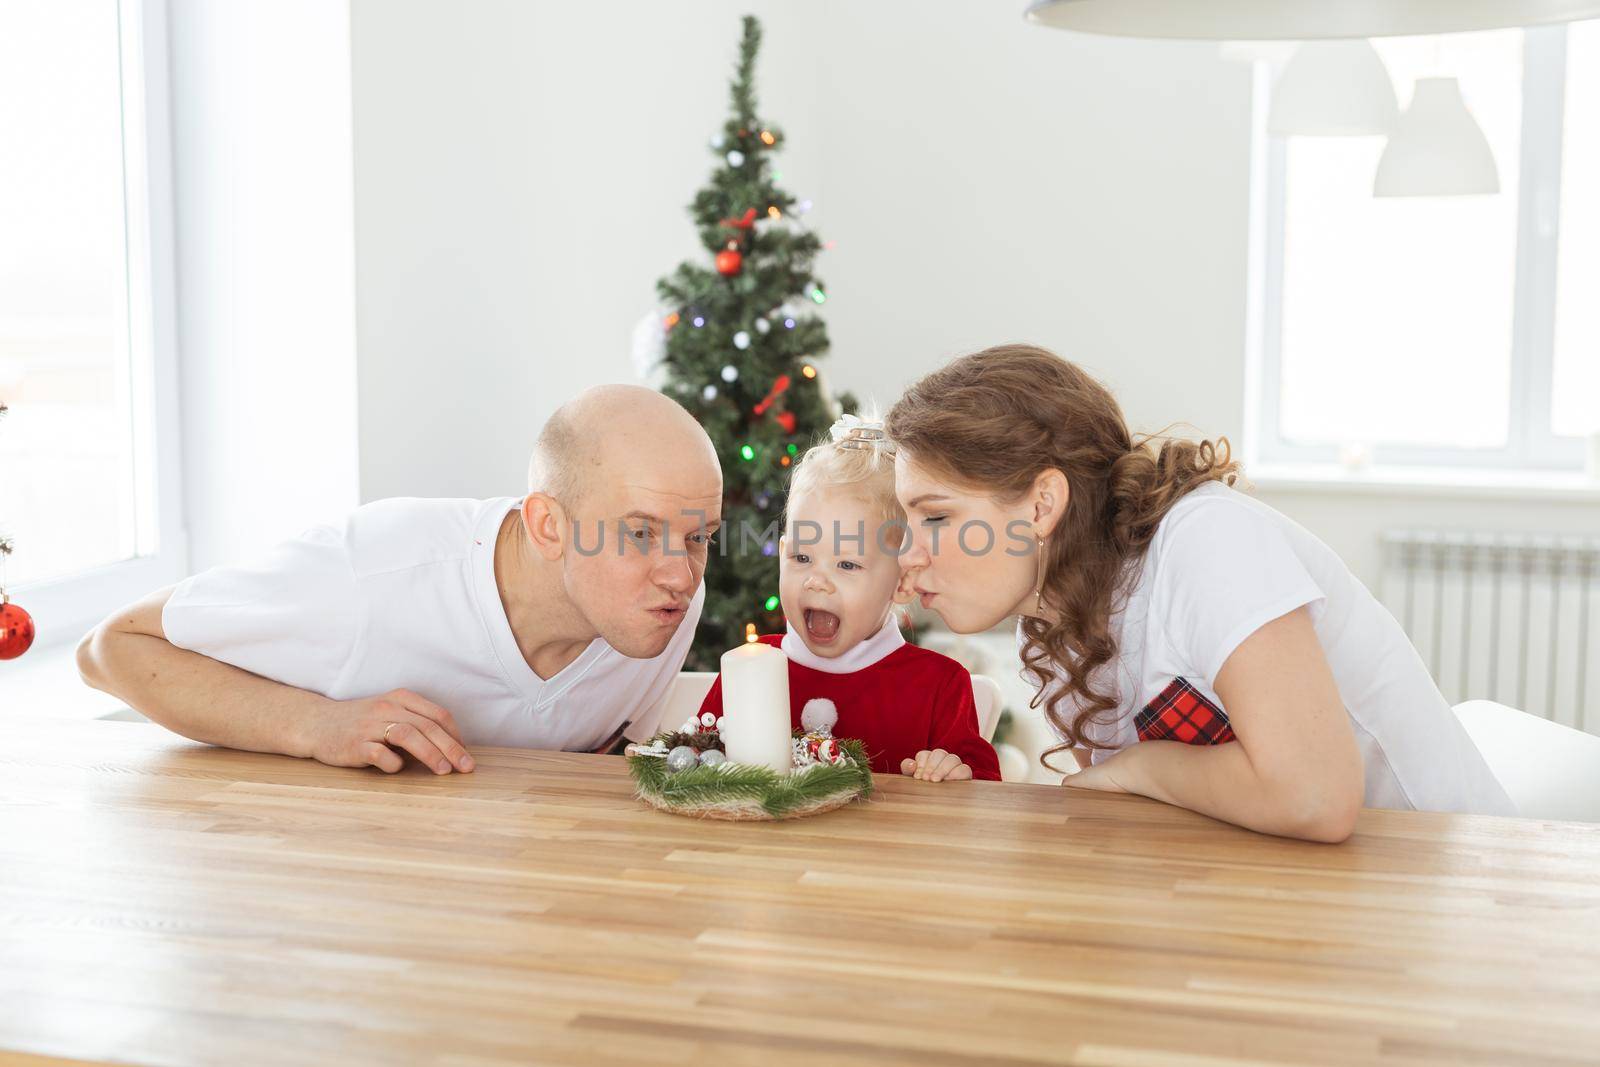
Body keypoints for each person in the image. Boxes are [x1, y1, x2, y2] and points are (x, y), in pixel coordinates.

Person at [885, 344, 1513, 840]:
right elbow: (1142, 819)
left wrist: (1139, 767)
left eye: (935, 517)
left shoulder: (1207, 542)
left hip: (1443, 890)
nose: (905, 556)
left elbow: (1316, 799)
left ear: (1042, 503)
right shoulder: (1050, 624)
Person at [77, 385, 721, 774]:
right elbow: (110, 648)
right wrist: (316, 725)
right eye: (640, 533)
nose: (682, 575)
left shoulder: (661, 603)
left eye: (699, 537)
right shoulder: (371, 574)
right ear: (548, 527)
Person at [696, 414, 1000, 782]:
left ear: (903, 582)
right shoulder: (751, 666)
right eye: (802, 558)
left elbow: (983, 795)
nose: (817, 581)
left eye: (847, 564)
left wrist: (954, 773)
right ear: (781, 555)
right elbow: (694, 760)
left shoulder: (939, 686)